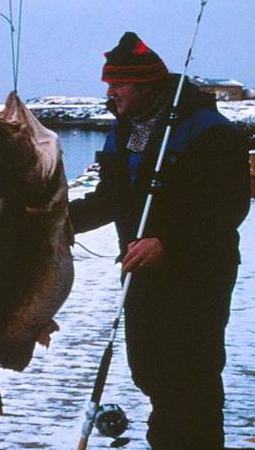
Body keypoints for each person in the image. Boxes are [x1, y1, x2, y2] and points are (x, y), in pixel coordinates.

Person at [69, 32, 250, 449]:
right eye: (109, 87)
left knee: (191, 375)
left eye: (118, 86)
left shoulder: (210, 131)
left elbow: (229, 207)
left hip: (197, 273)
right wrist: (58, 223)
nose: (111, 94)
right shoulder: (124, 131)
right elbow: (110, 198)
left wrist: (167, 241)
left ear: (145, 86)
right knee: (149, 371)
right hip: (140, 273)